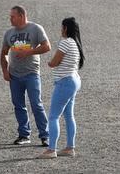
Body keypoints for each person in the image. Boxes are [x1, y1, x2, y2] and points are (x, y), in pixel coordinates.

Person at [0, 6, 51, 147]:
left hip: (31, 74)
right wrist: (5, 70)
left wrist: (28, 53)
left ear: (22, 16)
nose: (10, 19)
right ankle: (24, 134)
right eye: (10, 16)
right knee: (18, 105)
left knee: (36, 104)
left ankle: (45, 135)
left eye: (13, 16)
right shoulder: (9, 33)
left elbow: (47, 46)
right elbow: (4, 52)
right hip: (14, 75)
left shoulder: (36, 29)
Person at [38, 17, 85, 159]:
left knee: (53, 116)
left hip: (65, 82)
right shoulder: (75, 43)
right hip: (74, 80)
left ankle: (51, 149)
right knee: (69, 115)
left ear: (65, 28)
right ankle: (70, 147)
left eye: (61, 27)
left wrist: (49, 62)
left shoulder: (65, 43)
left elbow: (54, 62)